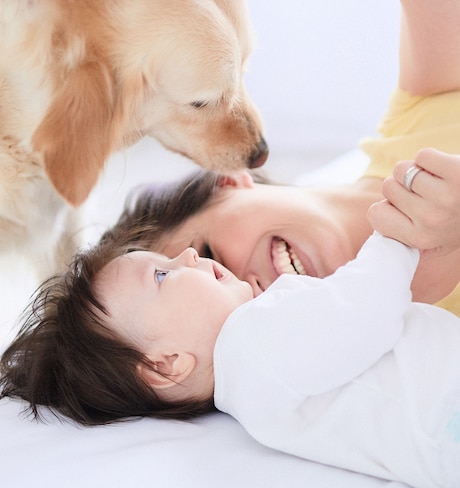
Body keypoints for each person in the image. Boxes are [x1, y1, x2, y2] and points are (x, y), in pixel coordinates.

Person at [2, 224, 460, 488]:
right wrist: (396, 237)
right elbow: (364, 312)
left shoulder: (254, 387)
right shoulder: (253, 341)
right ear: (166, 366)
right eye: (162, 274)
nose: (187, 254)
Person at [100, 0, 460, 317]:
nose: (246, 289)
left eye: (211, 256)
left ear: (228, 183)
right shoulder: (426, 345)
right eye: (231, 322)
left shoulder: (427, 98)